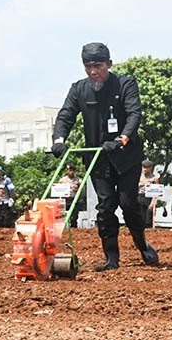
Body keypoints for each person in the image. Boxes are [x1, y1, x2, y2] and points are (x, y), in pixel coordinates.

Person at [51, 42, 158, 272]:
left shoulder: (125, 84)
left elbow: (134, 114)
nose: (92, 71)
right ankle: (111, 258)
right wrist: (58, 141)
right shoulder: (79, 89)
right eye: (87, 66)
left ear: (109, 64)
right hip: (98, 158)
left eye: (97, 66)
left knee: (129, 205)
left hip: (126, 157)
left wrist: (123, 138)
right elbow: (66, 116)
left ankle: (142, 245)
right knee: (105, 205)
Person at [57, 163, 86, 228]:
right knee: (61, 217)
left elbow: (83, 191)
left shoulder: (79, 180)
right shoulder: (62, 180)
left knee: (74, 217)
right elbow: (57, 190)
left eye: (72, 170)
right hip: (64, 200)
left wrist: (79, 195)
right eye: (69, 170)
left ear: (75, 171)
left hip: (74, 200)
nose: (71, 172)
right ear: (66, 171)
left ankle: (73, 230)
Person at [138, 160, 159, 228]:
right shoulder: (138, 176)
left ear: (150, 168)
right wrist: (145, 183)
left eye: (146, 167)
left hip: (149, 198)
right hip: (139, 197)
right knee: (141, 218)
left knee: (148, 218)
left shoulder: (154, 178)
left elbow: (156, 191)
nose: (144, 169)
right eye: (143, 167)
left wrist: (153, 202)